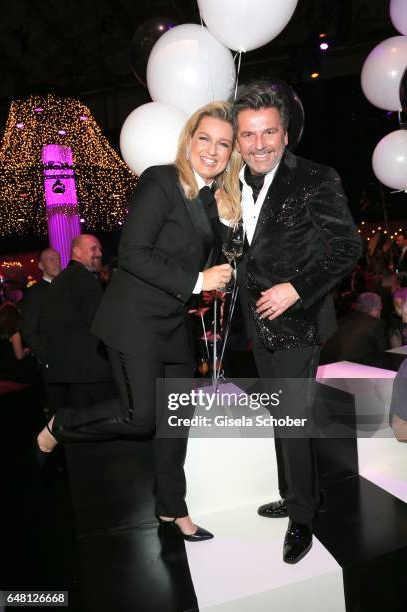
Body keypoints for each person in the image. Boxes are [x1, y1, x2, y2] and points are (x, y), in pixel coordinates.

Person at [36, 101, 240, 541]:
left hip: (172, 324)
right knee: (140, 416)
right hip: (133, 322)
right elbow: (132, 254)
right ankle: (61, 425)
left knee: (175, 422)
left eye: (223, 143)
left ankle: (172, 509)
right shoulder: (161, 180)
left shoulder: (213, 201)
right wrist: (197, 278)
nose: (212, 149)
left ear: (230, 154)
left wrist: (206, 283)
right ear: (189, 140)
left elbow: (198, 262)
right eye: (204, 138)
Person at [228, 82, 362, 563]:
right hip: (255, 322)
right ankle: (297, 492)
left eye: (268, 132)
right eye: (248, 135)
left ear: (285, 134)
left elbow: (348, 248)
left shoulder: (315, 177)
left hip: (297, 324)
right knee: (282, 419)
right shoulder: (233, 180)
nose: (258, 144)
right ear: (238, 139)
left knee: (293, 418)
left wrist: (297, 288)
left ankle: (303, 514)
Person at [41, 235, 114, 412]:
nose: (99, 253)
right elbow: (98, 320)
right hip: (93, 368)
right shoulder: (83, 276)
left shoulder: (60, 280)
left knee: (81, 425)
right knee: (107, 419)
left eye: (100, 249)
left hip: (71, 370)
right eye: (93, 248)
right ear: (76, 252)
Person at [20, 248, 61, 415]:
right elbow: (28, 331)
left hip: (74, 360)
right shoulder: (34, 293)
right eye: (50, 259)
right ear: (41, 266)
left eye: (58, 258)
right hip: (53, 362)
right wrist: (47, 359)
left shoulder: (67, 287)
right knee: (59, 408)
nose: (56, 262)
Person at [320, 292, 389, 364]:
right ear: (375, 309)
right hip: (347, 369)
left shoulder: (342, 319)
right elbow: (384, 355)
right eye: (380, 309)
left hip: (324, 367)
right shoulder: (376, 323)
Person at [0, 302, 36, 384]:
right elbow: (19, 356)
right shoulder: (14, 333)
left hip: (3, 372)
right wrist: (27, 351)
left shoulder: (0, 333)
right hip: (16, 374)